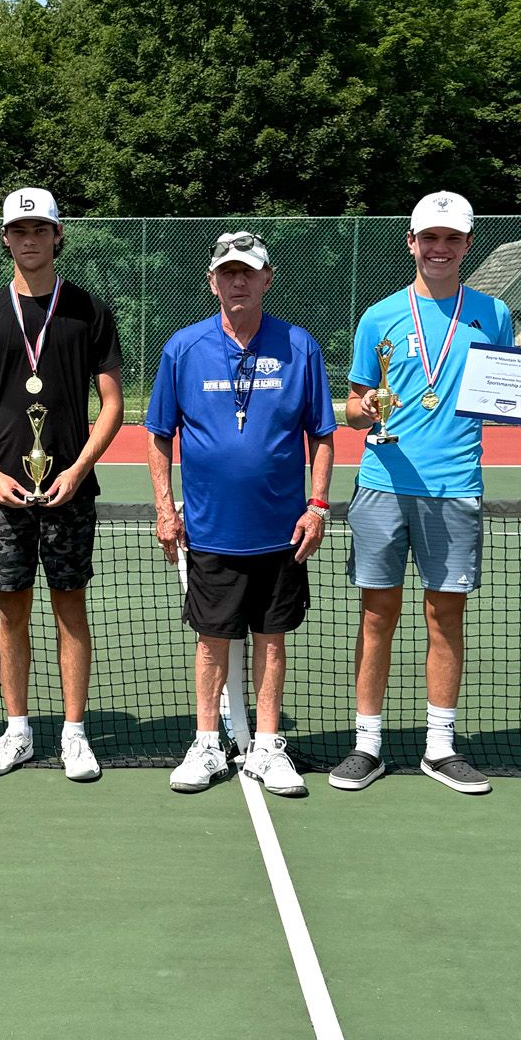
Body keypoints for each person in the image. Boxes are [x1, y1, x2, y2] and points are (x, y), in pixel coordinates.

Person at [329, 191, 521, 796]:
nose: (439, 248)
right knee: (376, 617)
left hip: (456, 487)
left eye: (451, 239)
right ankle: (367, 744)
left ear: (465, 246)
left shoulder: (492, 313)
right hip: (383, 485)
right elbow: (355, 407)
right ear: (411, 242)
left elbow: (510, 398)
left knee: (445, 617)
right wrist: (365, 409)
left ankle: (439, 746)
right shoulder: (378, 317)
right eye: (428, 238)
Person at [146, 229, 335, 796]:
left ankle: (268, 746)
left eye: (248, 272)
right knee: (211, 642)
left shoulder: (300, 346)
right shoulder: (183, 348)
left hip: (282, 530)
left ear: (266, 279)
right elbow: (159, 435)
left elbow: (322, 435)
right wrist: (165, 508)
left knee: (271, 640)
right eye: (227, 272)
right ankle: (208, 743)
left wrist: (318, 506)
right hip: (209, 529)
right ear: (212, 282)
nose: (238, 281)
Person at [0, 188, 125, 783]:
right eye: (19, 230)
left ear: (57, 236)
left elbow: (112, 405)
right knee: (11, 610)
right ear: (6, 239)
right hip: (4, 493)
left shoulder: (89, 311)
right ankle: (18, 730)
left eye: (40, 229)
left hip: (70, 491)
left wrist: (77, 470)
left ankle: (74, 734)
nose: (30, 239)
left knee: (70, 607)